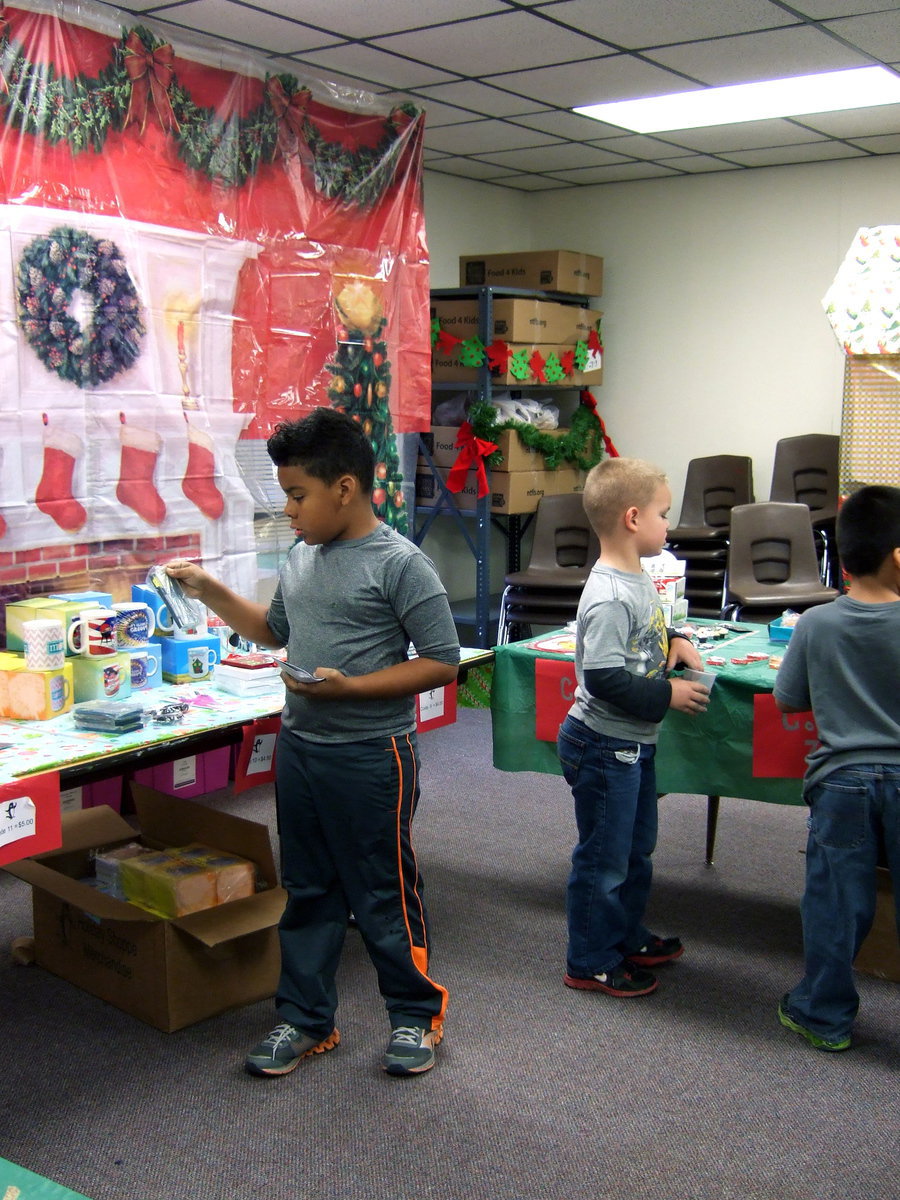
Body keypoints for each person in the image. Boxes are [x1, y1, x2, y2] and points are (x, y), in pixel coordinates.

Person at [166, 407, 460, 1078]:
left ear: (345, 489)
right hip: (301, 748)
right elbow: (273, 632)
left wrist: (351, 690)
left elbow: (442, 662)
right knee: (307, 889)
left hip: (371, 755)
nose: (289, 511)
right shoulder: (301, 555)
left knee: (381, 892)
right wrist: (208, 588)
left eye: (297, 495)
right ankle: (305, 1019)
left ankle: (416, 1016)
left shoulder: (400, 565)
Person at [557, 457, 710, 998]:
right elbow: (602, 678)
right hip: (602, 743)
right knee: (604, 857)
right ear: (631, 518)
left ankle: (624, 934)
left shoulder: (638, 576)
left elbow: (653, 625)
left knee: (635, 848)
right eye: (663, 514)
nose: (668, 525)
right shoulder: (608, 595)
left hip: (631, 743)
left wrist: (678, 637)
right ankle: (591, 959)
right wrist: (668, 693)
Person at [773, 484, 900, 1052]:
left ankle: (823, 1014)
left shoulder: (816, 624)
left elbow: (787, 698)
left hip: (841, 784)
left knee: (836, 904)